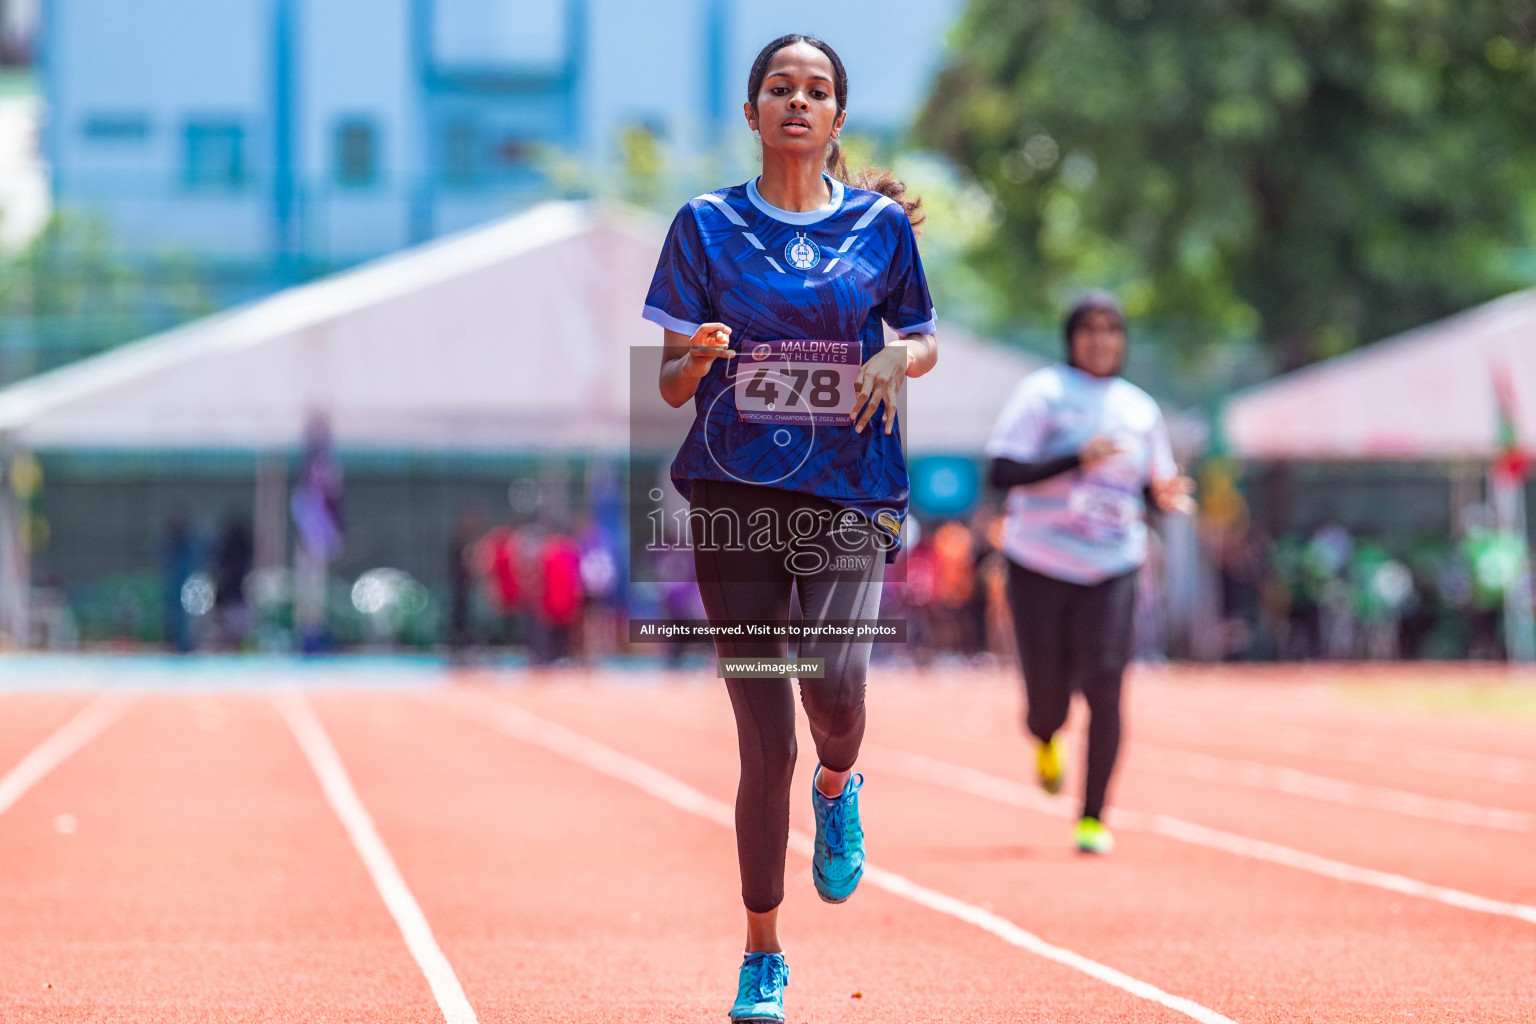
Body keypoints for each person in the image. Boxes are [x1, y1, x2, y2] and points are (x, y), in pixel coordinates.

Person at [643, 33, 938, 1024]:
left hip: (851, 486)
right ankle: (763, 952)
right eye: (780, 87)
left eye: (816, 90)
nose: (797, 102)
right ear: (752, 110)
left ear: (838, 117)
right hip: (734, 496)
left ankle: (841, 779)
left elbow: (923, 338)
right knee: (763, 738)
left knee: (836, 680)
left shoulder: (881, 229)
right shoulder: (707, 225)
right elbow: (670, 378)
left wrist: (899, 363)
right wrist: (701, 357)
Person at [985, 291, 1193, 855]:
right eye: (1090, 329)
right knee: (1047, 700)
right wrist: (1077, 456)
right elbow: (1000, 470)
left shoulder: (1140, 409)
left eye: (1112, 330)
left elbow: (1150, 483)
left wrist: (1163, 495)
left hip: (1114, 564)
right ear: (1071, 338)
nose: (1101, 340)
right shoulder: (1043, 393)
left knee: (1106, 685)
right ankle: (1044, 735)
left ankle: (1093, 817)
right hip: (1039, 563)